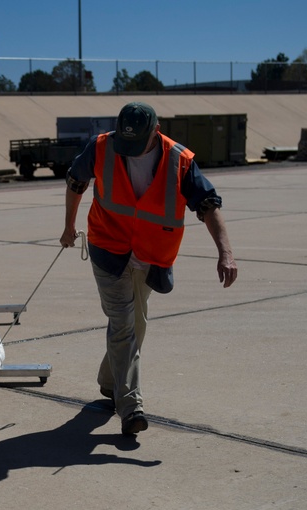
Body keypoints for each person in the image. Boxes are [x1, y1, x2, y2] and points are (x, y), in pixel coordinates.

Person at [60, 101, 238, 437]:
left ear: (155, 132)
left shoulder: (179, 160)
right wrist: (68, 226)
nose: (126, 152)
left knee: (135, 325)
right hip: (108, 248)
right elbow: (75, 181)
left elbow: (208, 204)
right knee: (125, 325)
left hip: (150, 256)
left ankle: (109, 380)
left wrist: (225, 252)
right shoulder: (102, 146)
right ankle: (130, 407)